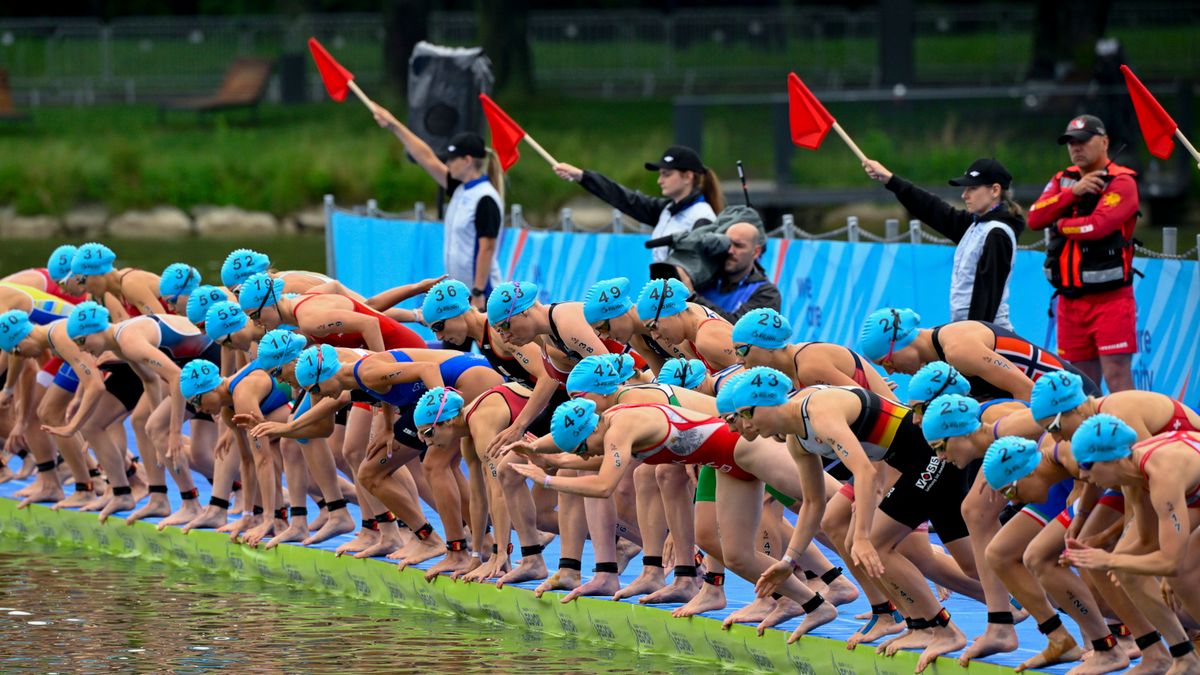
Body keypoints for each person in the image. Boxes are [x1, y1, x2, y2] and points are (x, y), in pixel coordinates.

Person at [1062, 415, 1200, 673]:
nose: (1083, 475)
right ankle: (1182, 657)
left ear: (1112, 458)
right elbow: (1148, 540)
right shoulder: (1132, 477)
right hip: (1194, 490)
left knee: (1182, 573)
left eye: (1086, 464)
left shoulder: (1162, 475)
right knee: (1127, 570)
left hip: (1188, 486)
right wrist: (1098, 554)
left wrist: (1109, 559)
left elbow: (1170, 561)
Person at [1028, 114, 1139, 392]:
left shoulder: (1122, 182)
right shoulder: (1063, 180)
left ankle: (1134, 436)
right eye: (1070, 142)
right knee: (1080, 383)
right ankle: (1090, 436)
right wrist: (1073, 193)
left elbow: (1097, 227)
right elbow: (1034, 218)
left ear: (1104, 142)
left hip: (1111, 300)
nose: (1076, 147)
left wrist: (1060, 224)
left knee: (1117, 377)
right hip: (1069, 302)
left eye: (1083, 141)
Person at [862, 158, 1024, 328]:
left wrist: (970, 338)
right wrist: (890, 180)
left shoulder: (996, 234)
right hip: (970, 331)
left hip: (985, 335)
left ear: (995, 190)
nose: (964, 195)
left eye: (973, 188)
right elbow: (932, 208)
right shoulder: (975, 225)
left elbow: (988, 293)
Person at [370, 105, 503, 306]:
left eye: (452, 159)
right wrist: (394, 125)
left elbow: (487, 247)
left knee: (487, 338)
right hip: (459, 290)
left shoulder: (485, 198)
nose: (447, 163)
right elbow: (426, 158)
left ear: (467, 160)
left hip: (482, 292)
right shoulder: (460, 188)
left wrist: (477, 292)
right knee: (451, 337)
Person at [858, 307, 1098, 402]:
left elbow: (1025, 391)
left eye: (886, 361)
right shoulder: (938, 362)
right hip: (1054, 404)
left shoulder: (958, 349)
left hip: (1078, 399)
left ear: (900, 342)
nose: (889, 370)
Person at [553, 145, 723, 262]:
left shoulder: (702, 216)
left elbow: (701, 268)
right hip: (665, 297)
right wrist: (582, 176)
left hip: (685, 304)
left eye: (666, 174)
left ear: (688, 176)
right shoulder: (667, 210)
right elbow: (624, 198)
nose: (660, 180)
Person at [689, 206, 782, 323]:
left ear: (756, 252)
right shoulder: (703, 279)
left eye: (738, 246)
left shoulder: (767, 293)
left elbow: (736, 328)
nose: (730, 251)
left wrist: (694, 298)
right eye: (727, 243)